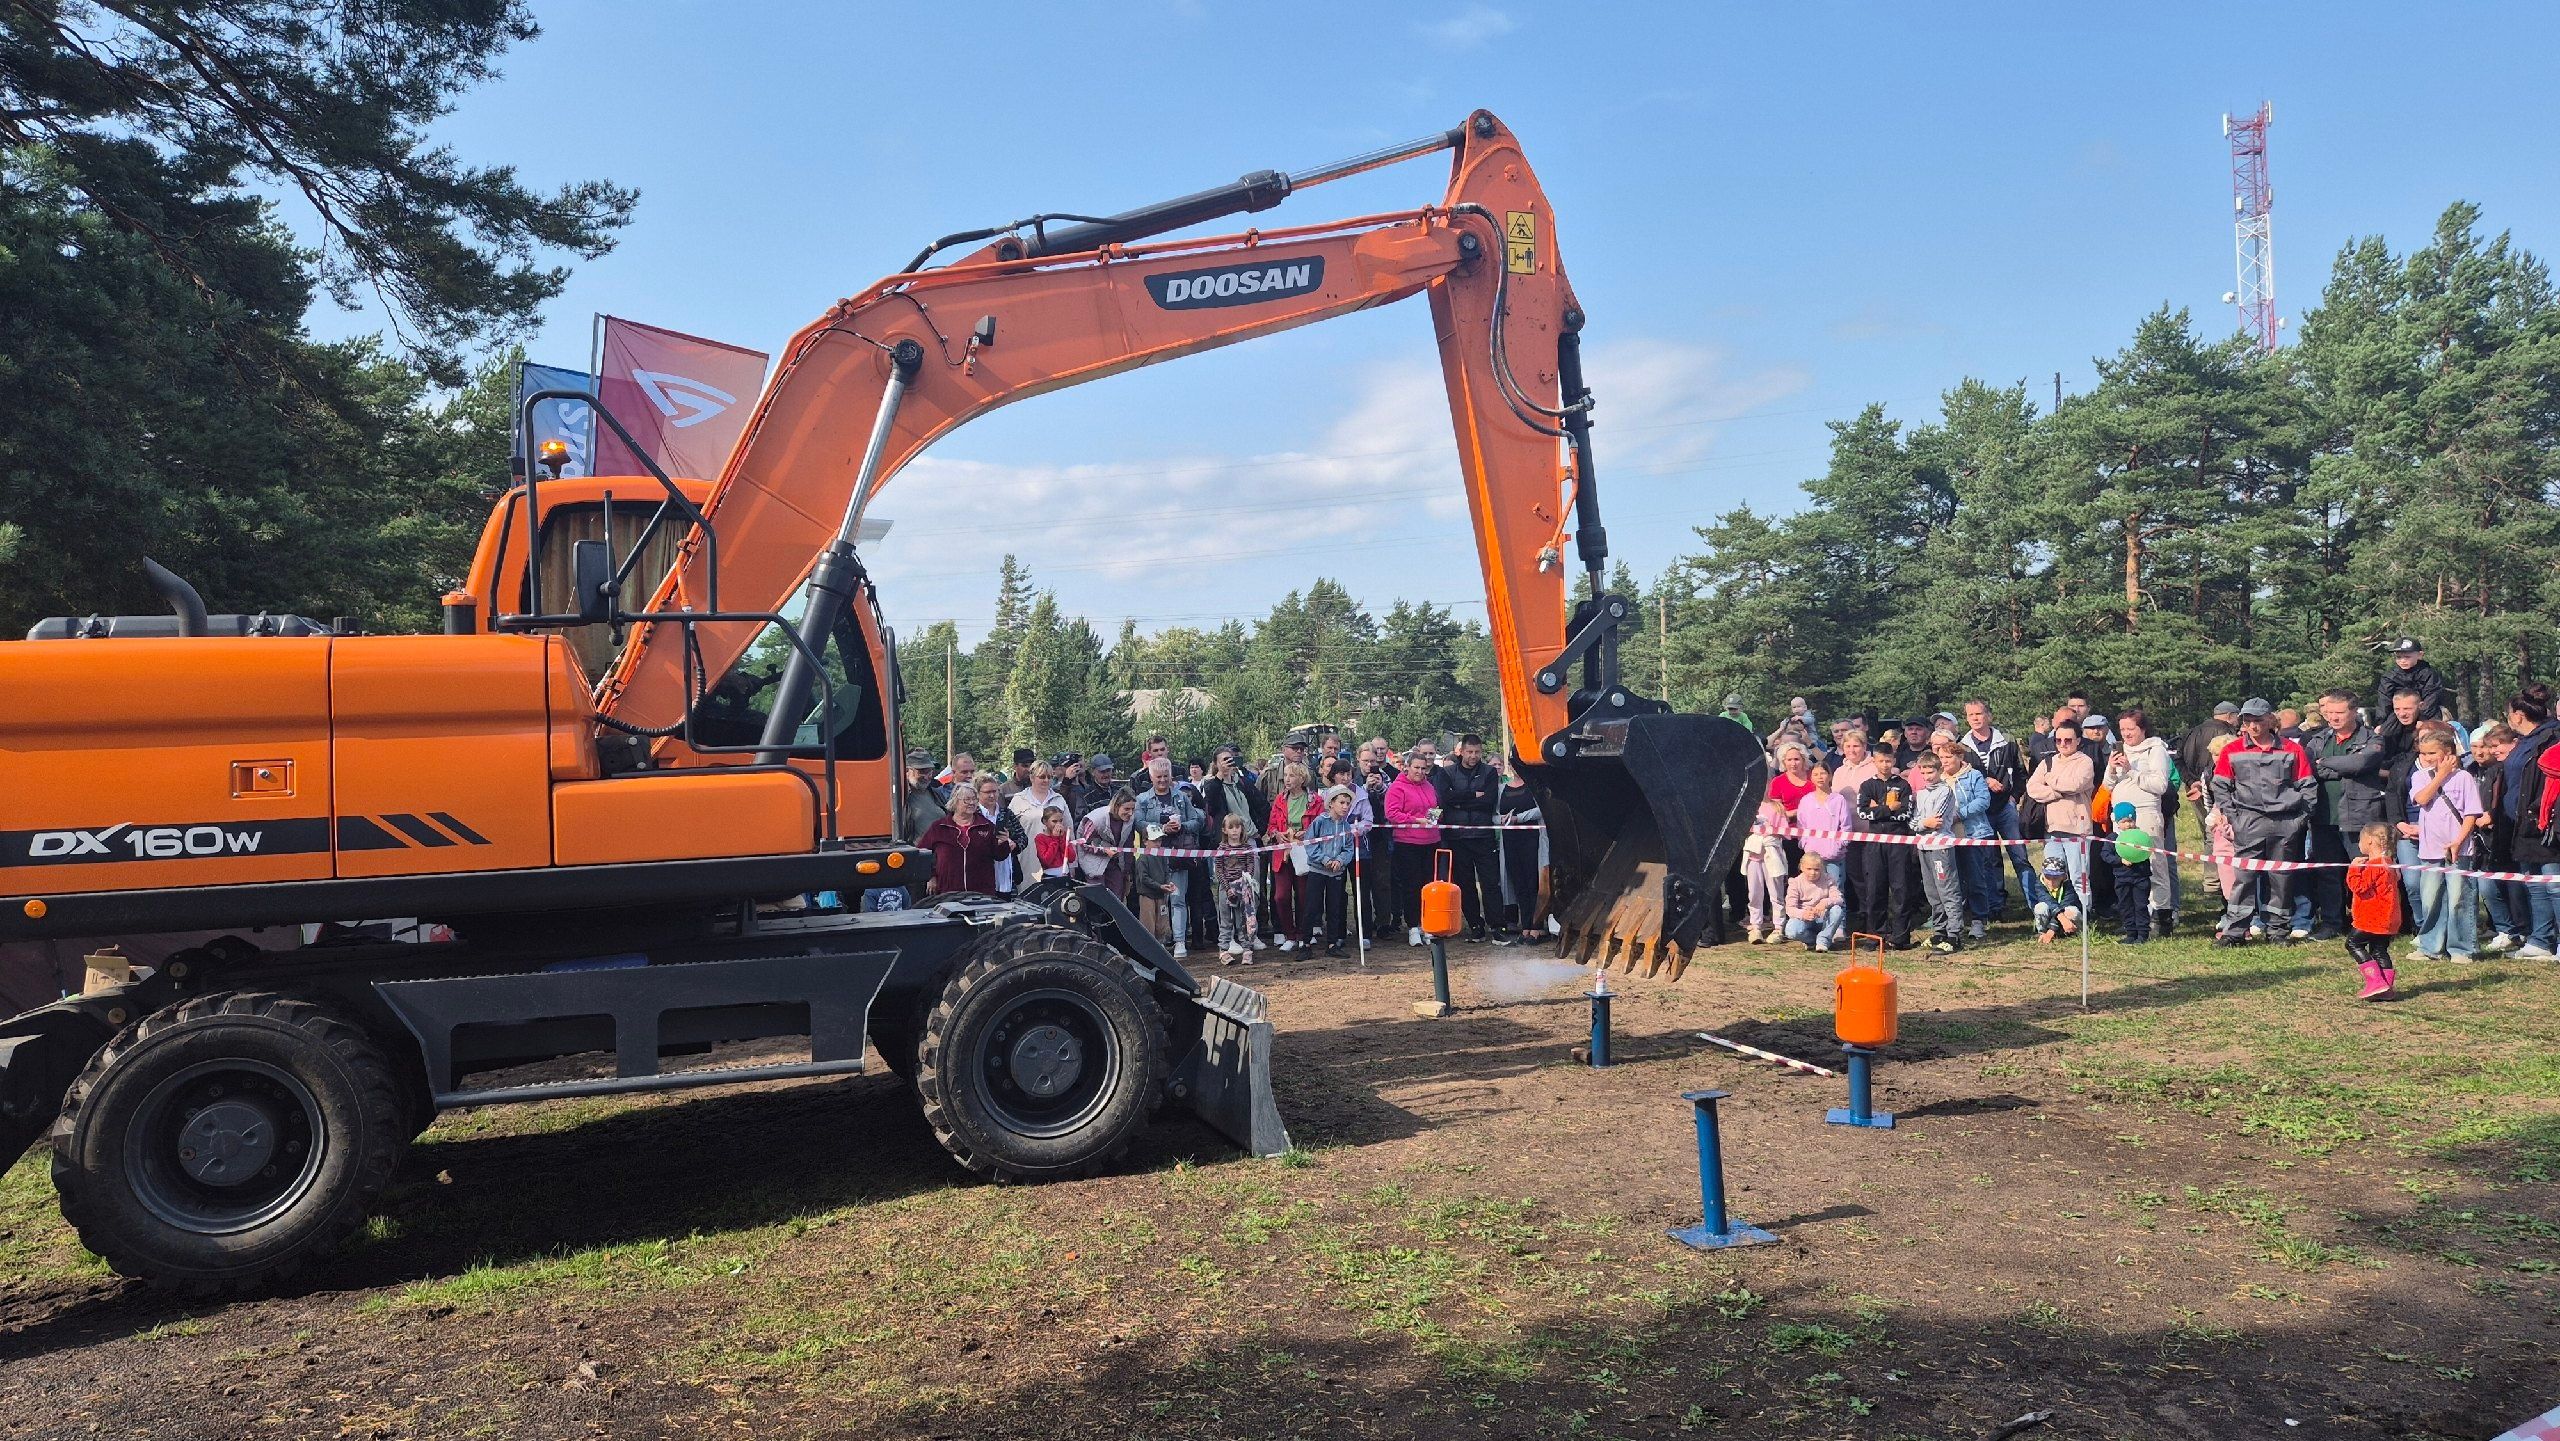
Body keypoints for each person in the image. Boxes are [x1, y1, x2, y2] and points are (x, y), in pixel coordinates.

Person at [2208, 697, 2316, 947]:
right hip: (2248, 822)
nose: (2253, 726)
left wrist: (2299, 820)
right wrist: (2234, 817)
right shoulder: (2232, 750)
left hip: (2285, 823)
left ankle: (2278, 930)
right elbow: (2220, 786)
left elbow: (2308, 787)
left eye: (2257, 720)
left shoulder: (2292, 749)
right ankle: (2236, 932)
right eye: (2248, 720)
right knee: (2244, 878)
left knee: (2281, 879)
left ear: (2270, 719)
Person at [2298, 690, 2388, 942]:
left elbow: (2360, 764)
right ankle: (2331, 922)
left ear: (2353, 712)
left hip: (2359, 816)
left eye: (2339, 713)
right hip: (2324, 816)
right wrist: (2340, 765)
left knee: (2363, 873)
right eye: (2329, 713)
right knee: (2328, 874)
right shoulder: (2319, 739)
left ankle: (2367, 923)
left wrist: (2327, 764)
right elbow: (2309, 767)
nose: (2333, 718)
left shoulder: (2372, 739)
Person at [1958, 700, 2040, 934]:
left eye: (1979, 713)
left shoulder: (2007, 743)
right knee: (1988, 860)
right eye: (1970, 715)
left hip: (2005, 808)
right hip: (1980, 812)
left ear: (1989, 716)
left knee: (2020, 857)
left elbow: (2021, 774)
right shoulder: (1962, 747)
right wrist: (1984, 781)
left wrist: (2014, 797)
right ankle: (1994, 907)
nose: (1975, 718)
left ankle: (2036, 907)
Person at [2404, 729, 2484, 963]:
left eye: (2432, 753)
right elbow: (2421, 799)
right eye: (2423, 753)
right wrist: (2439, 775)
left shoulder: (2464, 778)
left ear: (2448, 753)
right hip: (2430, 848)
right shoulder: (2420, 776)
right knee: (2430, 898)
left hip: (2459, 845)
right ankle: (2431, 945)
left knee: (2460, 897)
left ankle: (2462, 948)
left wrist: (2459, 840)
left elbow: (2471, 813)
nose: (2427, 758)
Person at [2026, 707, 2096, 943]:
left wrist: (2051, 784)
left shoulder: (2085, 761)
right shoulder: (2047, 762)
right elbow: (2033, 788)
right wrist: (2056, 790)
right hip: (2053, 829)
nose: (2063, 744)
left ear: (2078, 741)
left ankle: (2084, 918)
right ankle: (2052, 921)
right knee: (2051, 875)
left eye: (2068, 740)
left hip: (2078, 829)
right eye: (2058, 740)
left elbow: (2076, 783)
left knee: (2078, 876)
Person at [2107, 708, 2178, 936]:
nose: (2126, 734)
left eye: (2131, 729)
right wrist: (2111, 768)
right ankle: (2135, 918)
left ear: (2143, 728)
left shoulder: (2155, 749)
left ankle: (2162, 917)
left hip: (2146, 814)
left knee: (2155, 864)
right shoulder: (2120, 748)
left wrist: (2131, 772)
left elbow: (2160, 785)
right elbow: (2108, 785)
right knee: (2127, 863)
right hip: (2121, 816)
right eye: (2122, 729)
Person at [1433, 733, 1510, 943]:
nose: (1473, 756)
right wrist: (1472, 795)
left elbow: (1489, 800)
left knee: (1490, 883)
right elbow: (1445, 799)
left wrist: (1460, 800)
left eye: (1477, 752)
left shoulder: (1489, 773)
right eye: (1469, 752)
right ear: (1461, 752)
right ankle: (1475, 926)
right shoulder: (1446, 772)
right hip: (1457, 838)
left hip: (1483, 836)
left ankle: (1497, 926)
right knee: (1465, 884)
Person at [2502, 684, 2560, 958]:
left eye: (2508, 714)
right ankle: (2540, 940)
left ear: (2517, 715)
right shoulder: (2523, 741)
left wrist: (2539, 810)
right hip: (2521, 825)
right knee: (2534, 883)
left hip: (2545, 823)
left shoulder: (2552, 737)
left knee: (2555, 885)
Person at [1850, 743, 1918, 950]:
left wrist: (1877, 809)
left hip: (1898, 842)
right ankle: (1875, 935)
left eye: (1888, 760)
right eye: (1881, 761)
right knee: (1875, 889)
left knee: (1901, 889)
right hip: (1875, 843)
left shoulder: (1903, 785)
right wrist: (1888, 808)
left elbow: (1906, 813)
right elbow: (1863, 813)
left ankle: (1900, 937)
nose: (1885, 765)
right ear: (1874, 761)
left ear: (1894, 761)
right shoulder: (1867, 786)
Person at [2177, 701, 2242, 914]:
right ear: (2230, 716)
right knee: (2220, 837)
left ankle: (2211, 881)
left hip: (2197, 788)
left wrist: (2190, 780)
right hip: (2209, 790)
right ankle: (2218, 882)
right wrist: (2200, 782)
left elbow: (2179, 760)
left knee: (2209, 835)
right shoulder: (2227, 735)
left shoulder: (2191, 732)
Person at [1133, 758, 1202, 957]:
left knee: (1178, 898)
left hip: (1179, 855)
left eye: (1166, 776)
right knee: (1157, 900)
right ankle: (1160, 941)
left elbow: (1196, 821)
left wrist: (1182, 827)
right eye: (1158, 777)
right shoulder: (1143, 800)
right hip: (1154, 856)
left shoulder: (1181, 797)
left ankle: (1180, 941)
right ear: (1151, 777)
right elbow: (1138, 824)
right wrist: (1161, 828)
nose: (1162, 781)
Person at [2471, 725, 2529, 954]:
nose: (2489, 751)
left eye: (2493, 746)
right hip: (2490, 839)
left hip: (2511, 834)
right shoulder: (2487, 770)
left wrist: (2492, 815)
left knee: (2516, 887)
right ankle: (2505, 929)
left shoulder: (2513, 769)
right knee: (2488, 885)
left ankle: (2522, 929)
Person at [1385, 750, 1443, 947]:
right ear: (1407, 767)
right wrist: (1414, 820)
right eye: (1416, 767)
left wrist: (1434, 817)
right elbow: (1392, 813)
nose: (1420, 771)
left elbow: (1434, 807)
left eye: (1423, 768)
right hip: (1407, 843)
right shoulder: (1397, 788)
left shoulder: (1429, 786)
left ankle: (1428, 925)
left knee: (1429, 886)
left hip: (1431, 841)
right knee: (1411, 887)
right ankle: (1412, 927)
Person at [1910, 750, 1966, 954]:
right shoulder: (1922, 794)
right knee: (1932, 892)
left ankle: (1955, 934)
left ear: (1939, 770)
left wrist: (1924, 823)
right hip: (1924, 846)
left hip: (1941, 847)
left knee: (1947, 890)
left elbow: (1937, 821)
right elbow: (1915, 822)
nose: (1927, 776)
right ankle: (1940, 930)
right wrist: (1924, 823)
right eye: (1923, 772)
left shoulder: (1945, 791)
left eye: (1930, 772)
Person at [919, 787, 1014, 896]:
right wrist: (931, 876)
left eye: (974, 799)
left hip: (981, 892)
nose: (972, 803)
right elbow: (922, 854)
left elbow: (999, 856)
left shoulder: (986, 826)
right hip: (948, 891)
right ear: (955, 801)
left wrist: (1003, 843)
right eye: (967, 800)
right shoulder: (939, 827)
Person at [2345, 823, 2404, 1002]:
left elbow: (2359, 886)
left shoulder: (2375, 865)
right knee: (2379, 950)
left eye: (2360, 840)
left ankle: (2375, 981)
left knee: (2353, 944)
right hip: (2388, 918)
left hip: (2372, 917)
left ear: (2370, 841)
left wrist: (2353, 869)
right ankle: (2386, 988)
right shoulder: (2389, 863)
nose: (2358, 844)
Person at [1265, 762, 1320, 952]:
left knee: (1304, 896)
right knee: (1281, 896)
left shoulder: (1315, 800)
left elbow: (1320, 825)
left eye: (1291, 776)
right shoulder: (1279, 800)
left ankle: (1304, 933)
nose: (1287, 779)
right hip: (1283, 854)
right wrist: (1277, 834)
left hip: (1304, 852)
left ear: (1302, 779)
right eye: (1285, 776)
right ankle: (1289, 934)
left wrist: (1307, 833)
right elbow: (1271, 826)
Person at [1304, 787, 1359, 956]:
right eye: (1341, 803)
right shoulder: (1320, 822)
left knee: (1334, 907)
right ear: (1331, 804)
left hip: (1336, 872)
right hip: (1317, 871)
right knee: (1311, 907)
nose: (1345, 807)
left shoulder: (1347, 827)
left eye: (1348, 804)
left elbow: (1349, 848)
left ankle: (1332, 944)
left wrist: (1339, 861)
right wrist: (1325, 860)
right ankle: (1305, 944)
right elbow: (1310, 842)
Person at [1495, 765, 1543, 942]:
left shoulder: (1535, 787)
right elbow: (1493, 814)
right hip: (1510, 841)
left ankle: (1537, 926)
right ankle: (1526, 926)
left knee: (1533, 882)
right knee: (1519, 884)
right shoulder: (1502, 789)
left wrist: (1519, 818)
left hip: (1532, 839)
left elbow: (1542, 809)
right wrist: (1500, 819)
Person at [1741, 783, 1791, 945]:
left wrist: (1771, 831)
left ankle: (1778, 927)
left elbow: (1785, 832)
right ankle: (1756, 926)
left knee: (1776, 892)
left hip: (1772, 854)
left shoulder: (1777, 807)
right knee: (1754, 892)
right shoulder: (1748, 806)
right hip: (1754, 856)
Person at [1210, 814, 1262, 962]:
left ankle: (1247, 949)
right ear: (1224, 830)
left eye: (1237, 827)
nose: (1234, 830)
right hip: (1225, 889)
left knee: (1243, 920)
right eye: (1231, 827)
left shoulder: (1247, 848)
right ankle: (1224, 950)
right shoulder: (1221, 848)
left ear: (1242, 829)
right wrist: (1228, 888)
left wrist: (1243, 883)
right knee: (1226, 920)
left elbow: (1250, 868)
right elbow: (1219, 870)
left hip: (1243, 888)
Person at [1076, 788, 1138, 902]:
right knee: (1098, 898)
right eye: (1126, 809)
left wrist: (1127, 871)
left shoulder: (1130, 819)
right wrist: (1104, 850)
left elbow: (1128, 845)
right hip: (1094, 861)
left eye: (1133, 809)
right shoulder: (1096, 819)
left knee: (1117, 898)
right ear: (1116, 806)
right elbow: (1084, 842)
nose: (1130, 813)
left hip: (1115, 862)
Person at [1796, 761, 1852, 887]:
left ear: (1830, 776)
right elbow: (1801, 826)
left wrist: (1839, 846)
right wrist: (1804, 844)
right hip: (1812, 856)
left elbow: (1846, 826)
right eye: (1816, 774)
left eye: (1823, 773)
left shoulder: (1839, 800)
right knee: (1813, 890)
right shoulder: (1806, 801)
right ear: (1811, 777)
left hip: (1834, 857)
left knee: (1836, 890)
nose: (1820, 777)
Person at [2106, 800, 2153, 943]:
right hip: (2122, 878)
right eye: (2124, 821)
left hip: (2141, 878)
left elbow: (2147, 852)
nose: (2128, 824)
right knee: (2125, 905)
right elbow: (2105, 855)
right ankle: (2130, 933)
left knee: (2140, 905)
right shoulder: (2113, 838)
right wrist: (2120, 860)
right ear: (2117, 822)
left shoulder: (2141, 837)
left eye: (2131, 821)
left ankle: (2142, 934)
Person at [1783, 850, 1846, 952]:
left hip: (1824, 917)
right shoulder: (1795, 883)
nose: (1813, 872)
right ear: (1802, 867)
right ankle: (1811, 941)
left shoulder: (1828, 879)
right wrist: (1804, 914)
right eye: (1809, 869)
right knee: (1791, 930)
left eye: (1816, 869)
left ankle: (1823, 940)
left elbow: (1839, 898)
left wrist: (1825, 902)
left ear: (1821, 868)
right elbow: (1790, 908)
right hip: (1806, 918)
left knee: (1837, 910)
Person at [975, 775, 1027, 896]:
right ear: (978, 793)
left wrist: (1015, 844)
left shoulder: (1006, 813)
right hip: (984, 872)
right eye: (987, 792)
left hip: (1008, 872)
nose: (992, 795)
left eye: (995, 791)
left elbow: (1023, 837)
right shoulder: (975, 815)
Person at [2378, 638, 2447, 723]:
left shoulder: (2429, 674)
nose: (2402, 660)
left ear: (2420, 655)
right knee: (2384, 732)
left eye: (2407, 657)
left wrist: (2421, 720)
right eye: (2399, 657)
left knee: (2431, 731)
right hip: (2398, 717)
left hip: (2427, 716)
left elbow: (2431, 699)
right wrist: (2382, 722)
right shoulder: (2389, 677)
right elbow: (2384, 701)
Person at [901, 749, 947, 843]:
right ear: (906, 771)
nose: (927, 777)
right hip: (917, 855)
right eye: (922, 771)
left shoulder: (936, 793)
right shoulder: (899, 798)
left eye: (930, 771)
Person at [1033, 809, 1078, 881]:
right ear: (1045, 822)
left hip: (1065, 874)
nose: (1058, 824)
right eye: (1054, 821)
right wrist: (1055, 839)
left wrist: (1062, 840)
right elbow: (1046, 861)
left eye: (1060, 821)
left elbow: (1071, 858)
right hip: (1050, 876)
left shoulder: (1064, 835)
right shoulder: (1040, 838)